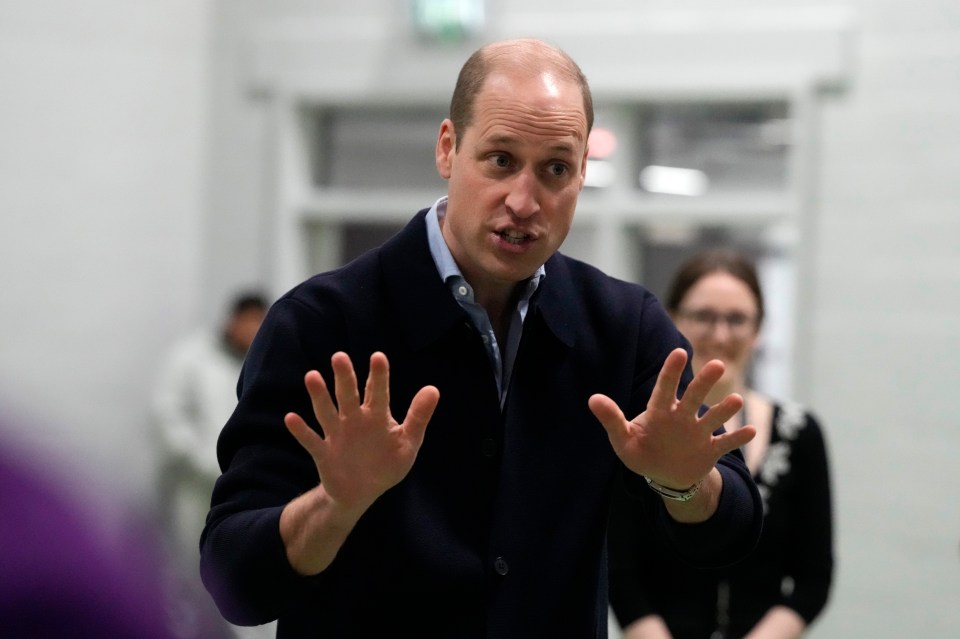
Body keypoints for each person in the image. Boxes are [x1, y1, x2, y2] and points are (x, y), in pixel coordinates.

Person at [200, 39, 763, 638]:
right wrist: (335, 505)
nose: (524, 201)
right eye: (500, 160)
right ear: (448, 148)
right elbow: (233, 581)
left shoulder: (621, 325)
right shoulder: (322, 323)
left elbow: (732, 527)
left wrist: (684, 484)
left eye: (556, 169)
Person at [607, 249, 834, 639]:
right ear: (673, 320)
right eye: (703, 316)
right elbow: (620, 570)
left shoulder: (800, 432)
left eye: (737, 319)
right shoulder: (640, 434)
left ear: (759, 329)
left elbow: (813, 576)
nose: (720, 334)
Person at [152, 290, 270, 639]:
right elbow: (166, 413)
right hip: (194, 488)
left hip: (243, 488)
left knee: (236, 570)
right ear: (234, 320)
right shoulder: (191, 357)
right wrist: (198, 459)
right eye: (251, 323)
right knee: (190, 568)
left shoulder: (262, 358)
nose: (255, 331)